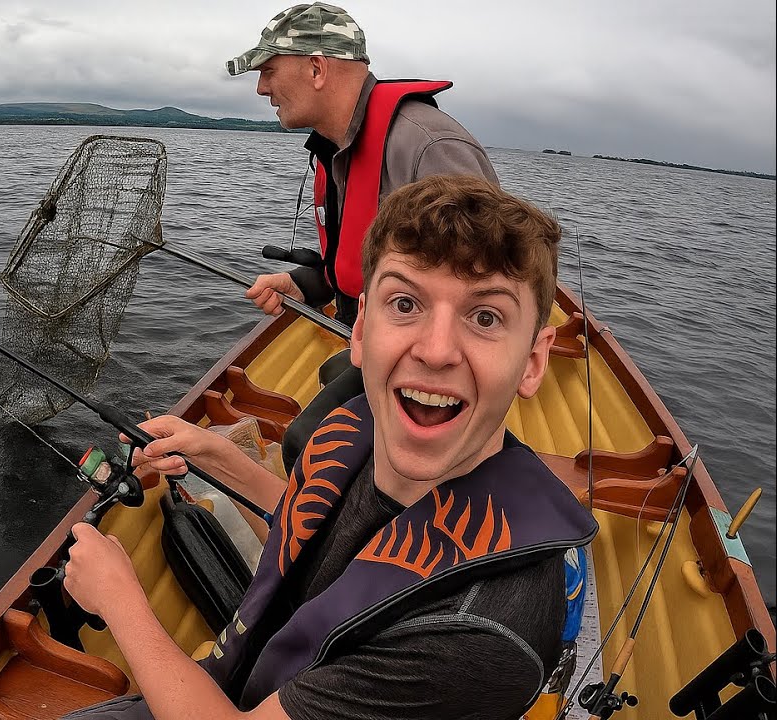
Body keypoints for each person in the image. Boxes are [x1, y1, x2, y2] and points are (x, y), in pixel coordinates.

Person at [61, 175, 598, 720]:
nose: (436, 352)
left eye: (485, 317)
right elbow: (312, 527)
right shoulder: (369, 426)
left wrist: (118, 599)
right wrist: (214, 453)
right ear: (361, 329)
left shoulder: (474, 635)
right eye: (406, 303)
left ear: (533, 361)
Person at [227, 2, 500, 471]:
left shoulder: (429, 149)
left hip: (431, 365)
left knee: (306, 444)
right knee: (332, 373)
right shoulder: (339, 147)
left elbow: (487, 296)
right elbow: (366, 262)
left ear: (316, 68)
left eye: (269, 70)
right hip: (373, 338)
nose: (261, 87)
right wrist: (306, 284)